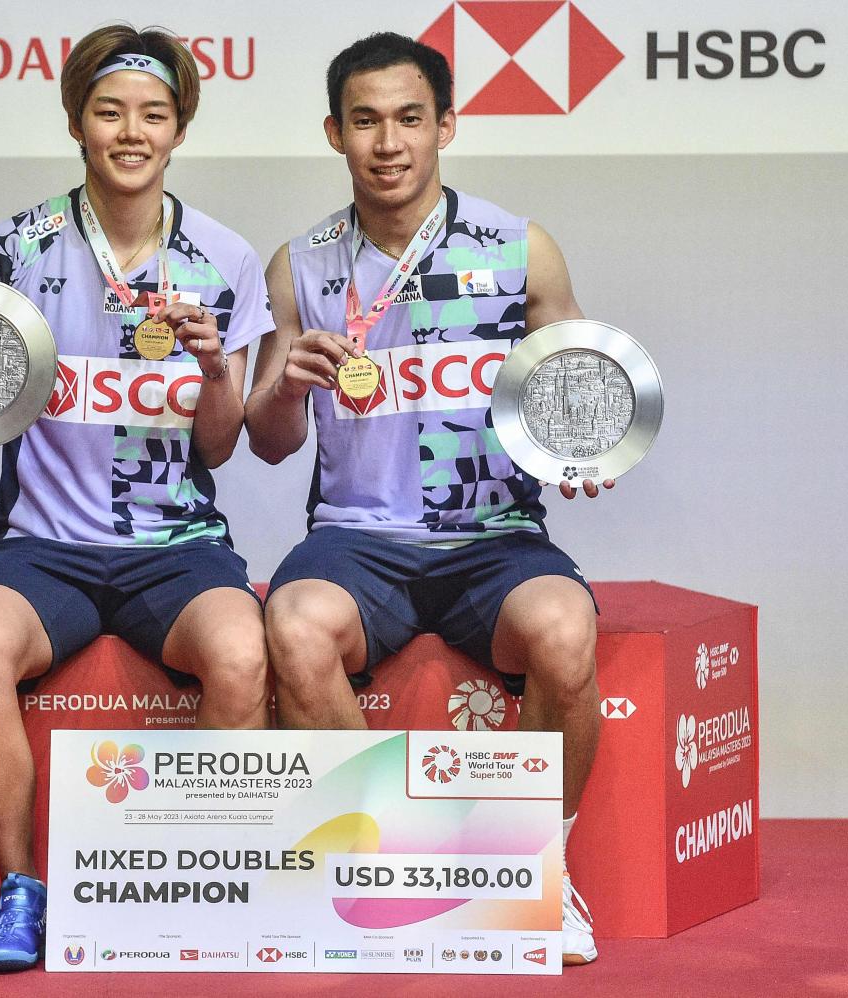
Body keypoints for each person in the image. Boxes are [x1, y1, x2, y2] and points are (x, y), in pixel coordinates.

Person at [0, 24, 273, 973]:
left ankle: (171, 873)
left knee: (243, 651)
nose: (131, 132)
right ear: (76, 122)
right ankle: (24, 890)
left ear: (179, 131)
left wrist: (217, 367)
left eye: (153, 115)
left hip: (177, 545)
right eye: (109, 112)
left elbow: (222, 443)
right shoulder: (15, 245)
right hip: (39, 546)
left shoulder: (224, 258)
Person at [244, 32, 614, 966]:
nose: (389, 141)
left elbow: (580, 390)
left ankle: (539, 872)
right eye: (365, 120)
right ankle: (396, 859)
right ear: (334, 133)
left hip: (494, 538)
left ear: (446, 124)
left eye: (411, 118)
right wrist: (288, 384)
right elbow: (269, 440)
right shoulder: (302, 265)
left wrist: (588, 449)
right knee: (292, 626)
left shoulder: (518, 245)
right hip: (356, 541)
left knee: (566, 634)